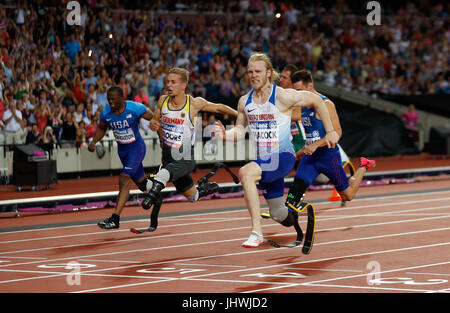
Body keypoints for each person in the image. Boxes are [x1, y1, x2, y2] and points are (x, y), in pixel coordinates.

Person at [214, 53, 339, 247]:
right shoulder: (244, 102)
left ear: (268, 73)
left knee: (245, 173)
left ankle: (256, 232)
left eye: (258, 71)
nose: (253, 75)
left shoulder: (282, 95)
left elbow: (318, 101)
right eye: (250, 72)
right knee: (278, 214)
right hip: (265, 160)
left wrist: (330, 130)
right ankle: (295, 216)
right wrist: (225, 135)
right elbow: (239, 131)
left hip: (283, 156)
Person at [283, 69, 376, 222]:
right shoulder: (304, 104)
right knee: (296, 190)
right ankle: (286, 215)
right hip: (310, 158)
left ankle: (363, 165)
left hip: (328, 157)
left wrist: (315, 145)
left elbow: (337, 133)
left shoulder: (326, 104)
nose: (297, 95)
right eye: (295, 91)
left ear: (310, 85)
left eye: (300, 90)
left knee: (348, 195)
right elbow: (295, 118)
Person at [141, 67, 238, 212]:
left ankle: (150, 199)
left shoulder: (193, 103)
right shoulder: (162, 100)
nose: (168, 85)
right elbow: (155, 121)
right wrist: (155, 125)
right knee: (193, 196)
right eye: (167, 82)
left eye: (173, 82)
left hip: (184, 157)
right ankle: (208, 188)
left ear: (183, 85)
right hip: (167, 156)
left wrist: (240, 115)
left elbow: (218, 108)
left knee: (161, 175)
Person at [88, 86, 154, 229]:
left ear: (121, 98)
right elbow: (101, 128)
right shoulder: (106, 113)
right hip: (123, 151)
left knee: (124, 178)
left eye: (113, 99)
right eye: (108, 99)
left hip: (136, 148)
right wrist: (93, 142)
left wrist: (161, 132)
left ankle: (115, 219)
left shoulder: (134, 108)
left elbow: (153, 117)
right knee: (142, 184)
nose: (110, 102)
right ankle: (157, 192)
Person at [279, 64, 307, 161]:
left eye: (284, 77)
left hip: (300, 140)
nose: (280, 80)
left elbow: (296, 115)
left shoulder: (297, 94)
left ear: (292, 80)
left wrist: (275, 115)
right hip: (290, 139)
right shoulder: (282, 95)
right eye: (281, 77)